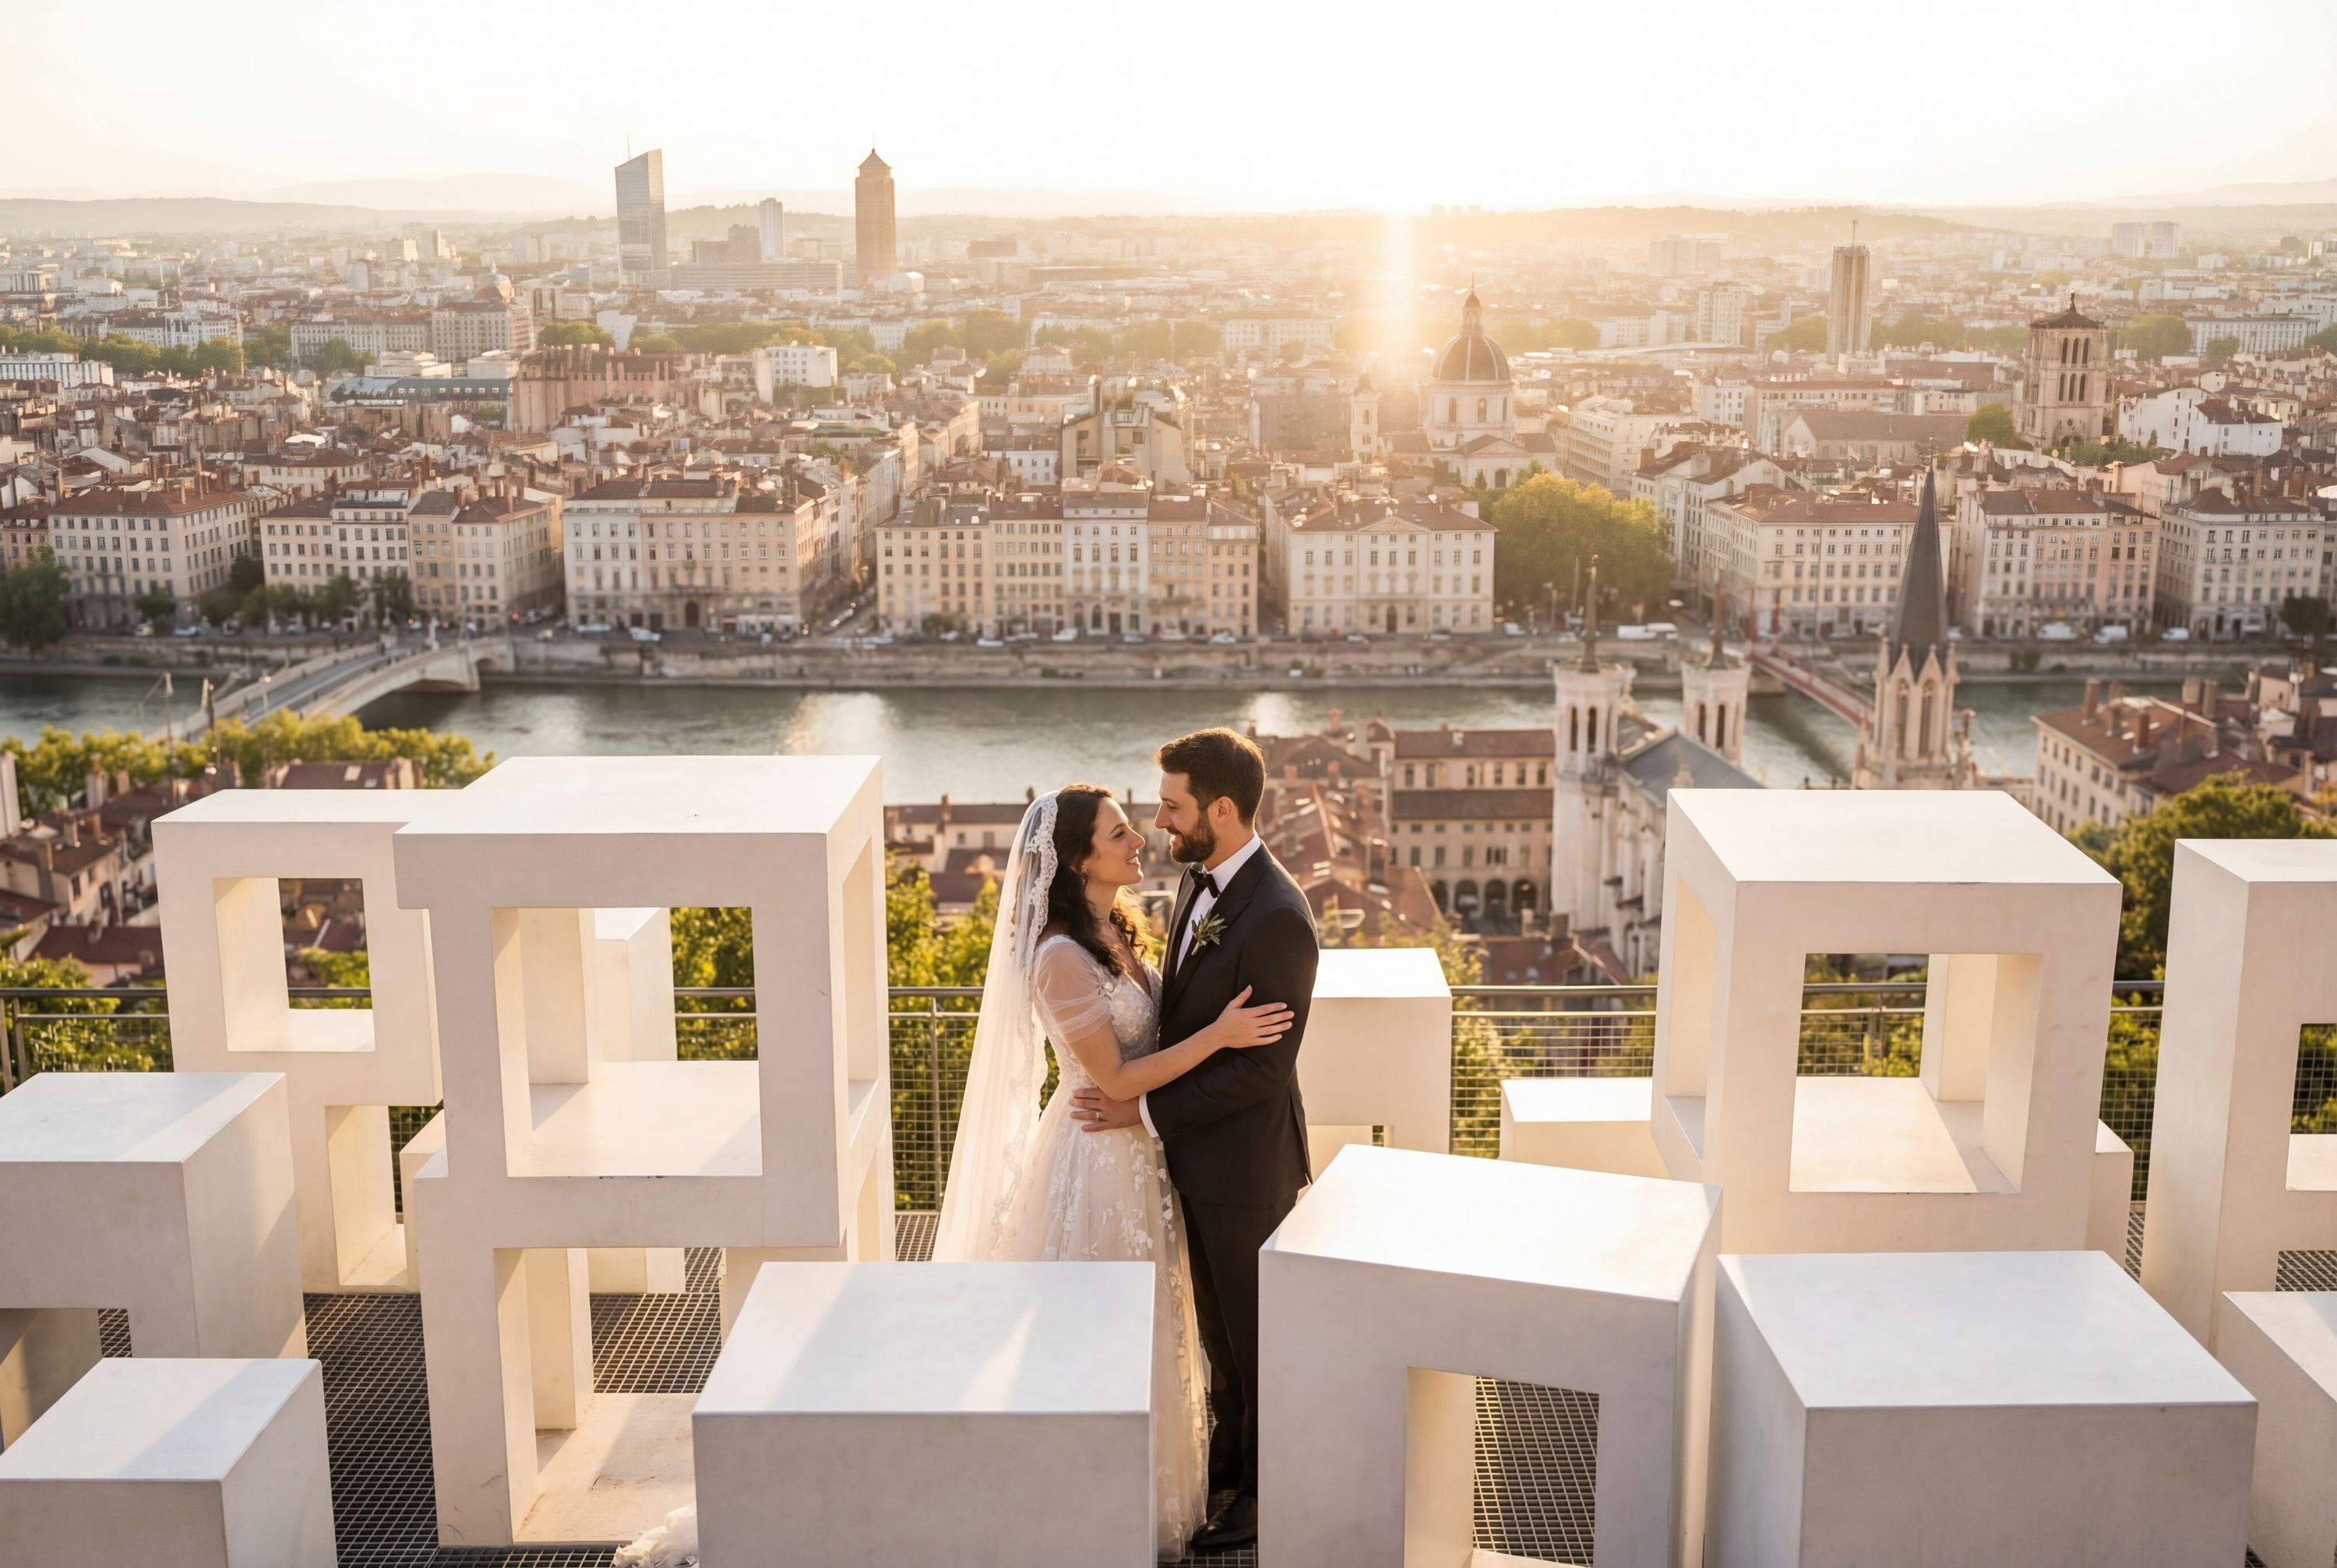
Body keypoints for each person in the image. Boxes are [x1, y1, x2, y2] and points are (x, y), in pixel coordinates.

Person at [932, 782, 1294, 1560]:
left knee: (1153, 1329)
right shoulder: (1060, 956)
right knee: (1098, 1337)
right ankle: (1086, 1500)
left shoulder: (1114, 926)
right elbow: (1116, 1080)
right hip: (1095, 1161)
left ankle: (1151, 1487)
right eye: (1120, 833)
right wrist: (1223, 1034)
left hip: (1142, 1152)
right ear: (1077, 860)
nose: (1140, 840)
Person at [1071, 727, 1319, 1552]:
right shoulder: (1196, 879)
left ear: (1220, 809)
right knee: (1218, 1338)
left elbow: (1261, 1072)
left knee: (1256, 1340)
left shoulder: (1278, 917)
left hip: (1246, 1170)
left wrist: (1142, 1113)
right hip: (1195, 1160)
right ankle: (1227, 1470)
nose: (1158, 821)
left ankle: (1263, 1499)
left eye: (1172, 806)